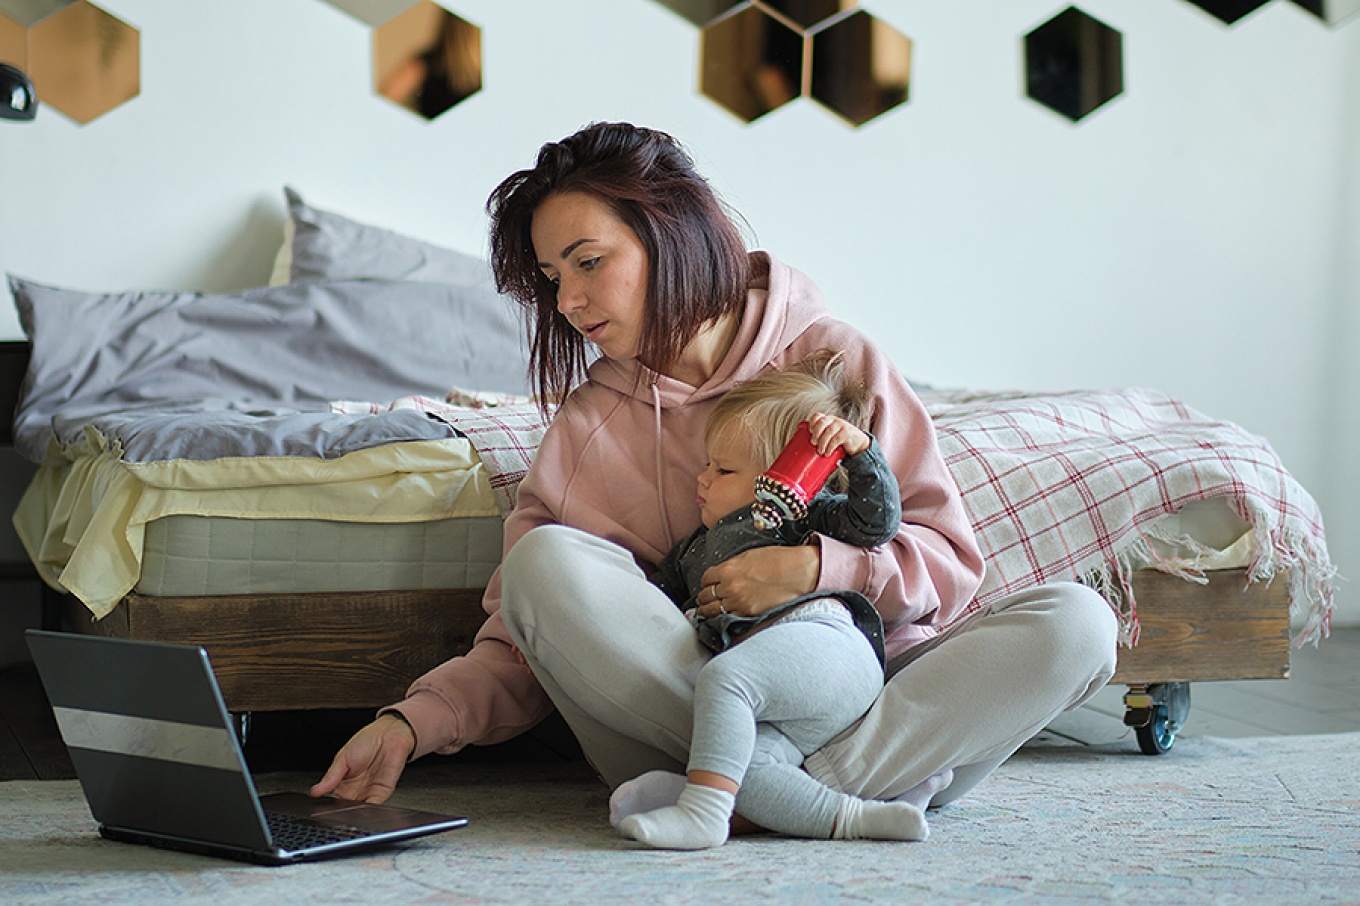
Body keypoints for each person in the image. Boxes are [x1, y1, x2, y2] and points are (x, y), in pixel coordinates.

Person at [311, 122, 1119, 832]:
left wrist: (817, 568)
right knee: (542, 561)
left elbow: (944, 563)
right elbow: (530, 637)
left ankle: (738, 794)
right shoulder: (590, 424)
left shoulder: (835, 358)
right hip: (703, 692)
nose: (570, 302)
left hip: (860, 683)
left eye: (589, 262)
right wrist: (412, 723)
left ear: (672, 233)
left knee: (1079, 622)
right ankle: (820, 797)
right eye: (554, 278)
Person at [618, 354, 928, 849]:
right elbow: (653, 604)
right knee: (750, 767)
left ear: (782, 476)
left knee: (725, 678)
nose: (702, 478)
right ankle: (857, 819)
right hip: (783, 696)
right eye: (706, 463)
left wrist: (861, 454)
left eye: (723, 469)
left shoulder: (798, 517)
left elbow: (876, 525)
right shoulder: (693, 550)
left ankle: (702, 814)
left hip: (828, 646)